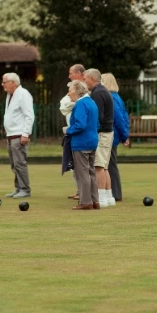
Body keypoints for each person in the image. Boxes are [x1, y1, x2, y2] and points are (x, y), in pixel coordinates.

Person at [64, 81, 100, 210]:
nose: (68, 94)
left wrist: (68, 130)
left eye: (70, 90)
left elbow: (80, 125)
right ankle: (95, 200)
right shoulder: (92, 102)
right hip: (92, 141)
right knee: (91, 171)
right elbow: (96, 124)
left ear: (78, 91)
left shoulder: (80, 104)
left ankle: (85, 202)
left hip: (81, 142)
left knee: (82, 172)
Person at [83, 69, 116, 206]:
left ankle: (101, 198)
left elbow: (98, 116)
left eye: (85, 79)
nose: (84, 82)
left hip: (102, 133)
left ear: (91, 79)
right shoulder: (104, 91)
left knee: (98, 166)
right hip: (107, 132)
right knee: (104, 166)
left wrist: (91, 131)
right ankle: (109, 197)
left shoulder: (97, 93)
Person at [2, 72, 34, 199]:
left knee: (20, 163)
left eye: (4, 82)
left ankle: (25, 189)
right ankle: (18, 187)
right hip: (11, 134)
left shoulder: (23, 94)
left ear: (13, 83)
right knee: (14, 164)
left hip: (19, 134)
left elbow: (29, 115)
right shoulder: (10, 95)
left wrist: (25, 134)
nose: (2, 84)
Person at [102, 73, 130, 202]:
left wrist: (125, 136)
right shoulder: (117, 97)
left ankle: (115, 193)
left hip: (111, 135)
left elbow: (118, 118)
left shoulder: (111, 98)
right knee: (110, 164)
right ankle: (112, 192)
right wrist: (125, 134)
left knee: (110, 165)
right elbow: (124, 116)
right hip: (117, 134)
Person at [60, 64, 86, 200]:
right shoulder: (72, 89)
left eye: (71, 73)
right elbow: (63, 105)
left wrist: (71, 104)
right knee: (74, 166)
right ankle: (79, 190)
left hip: (79, 133)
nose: (69, 76)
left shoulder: (85, 91)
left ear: (78, 73)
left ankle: (85, 194)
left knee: (83, 167)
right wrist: (70, 103)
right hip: (72, 133)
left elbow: (75, 105)